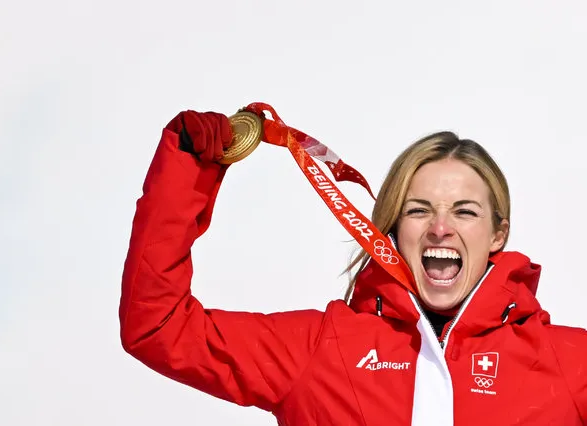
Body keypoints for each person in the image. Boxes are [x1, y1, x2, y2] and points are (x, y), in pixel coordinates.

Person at [118, 109, 587, 425]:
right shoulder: (321, 351)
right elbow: (159, 328)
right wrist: (185, 173)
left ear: (497, 236)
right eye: (419, 210)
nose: (440, 229)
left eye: (465, 212)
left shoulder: (568, 363)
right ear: (391, 231)